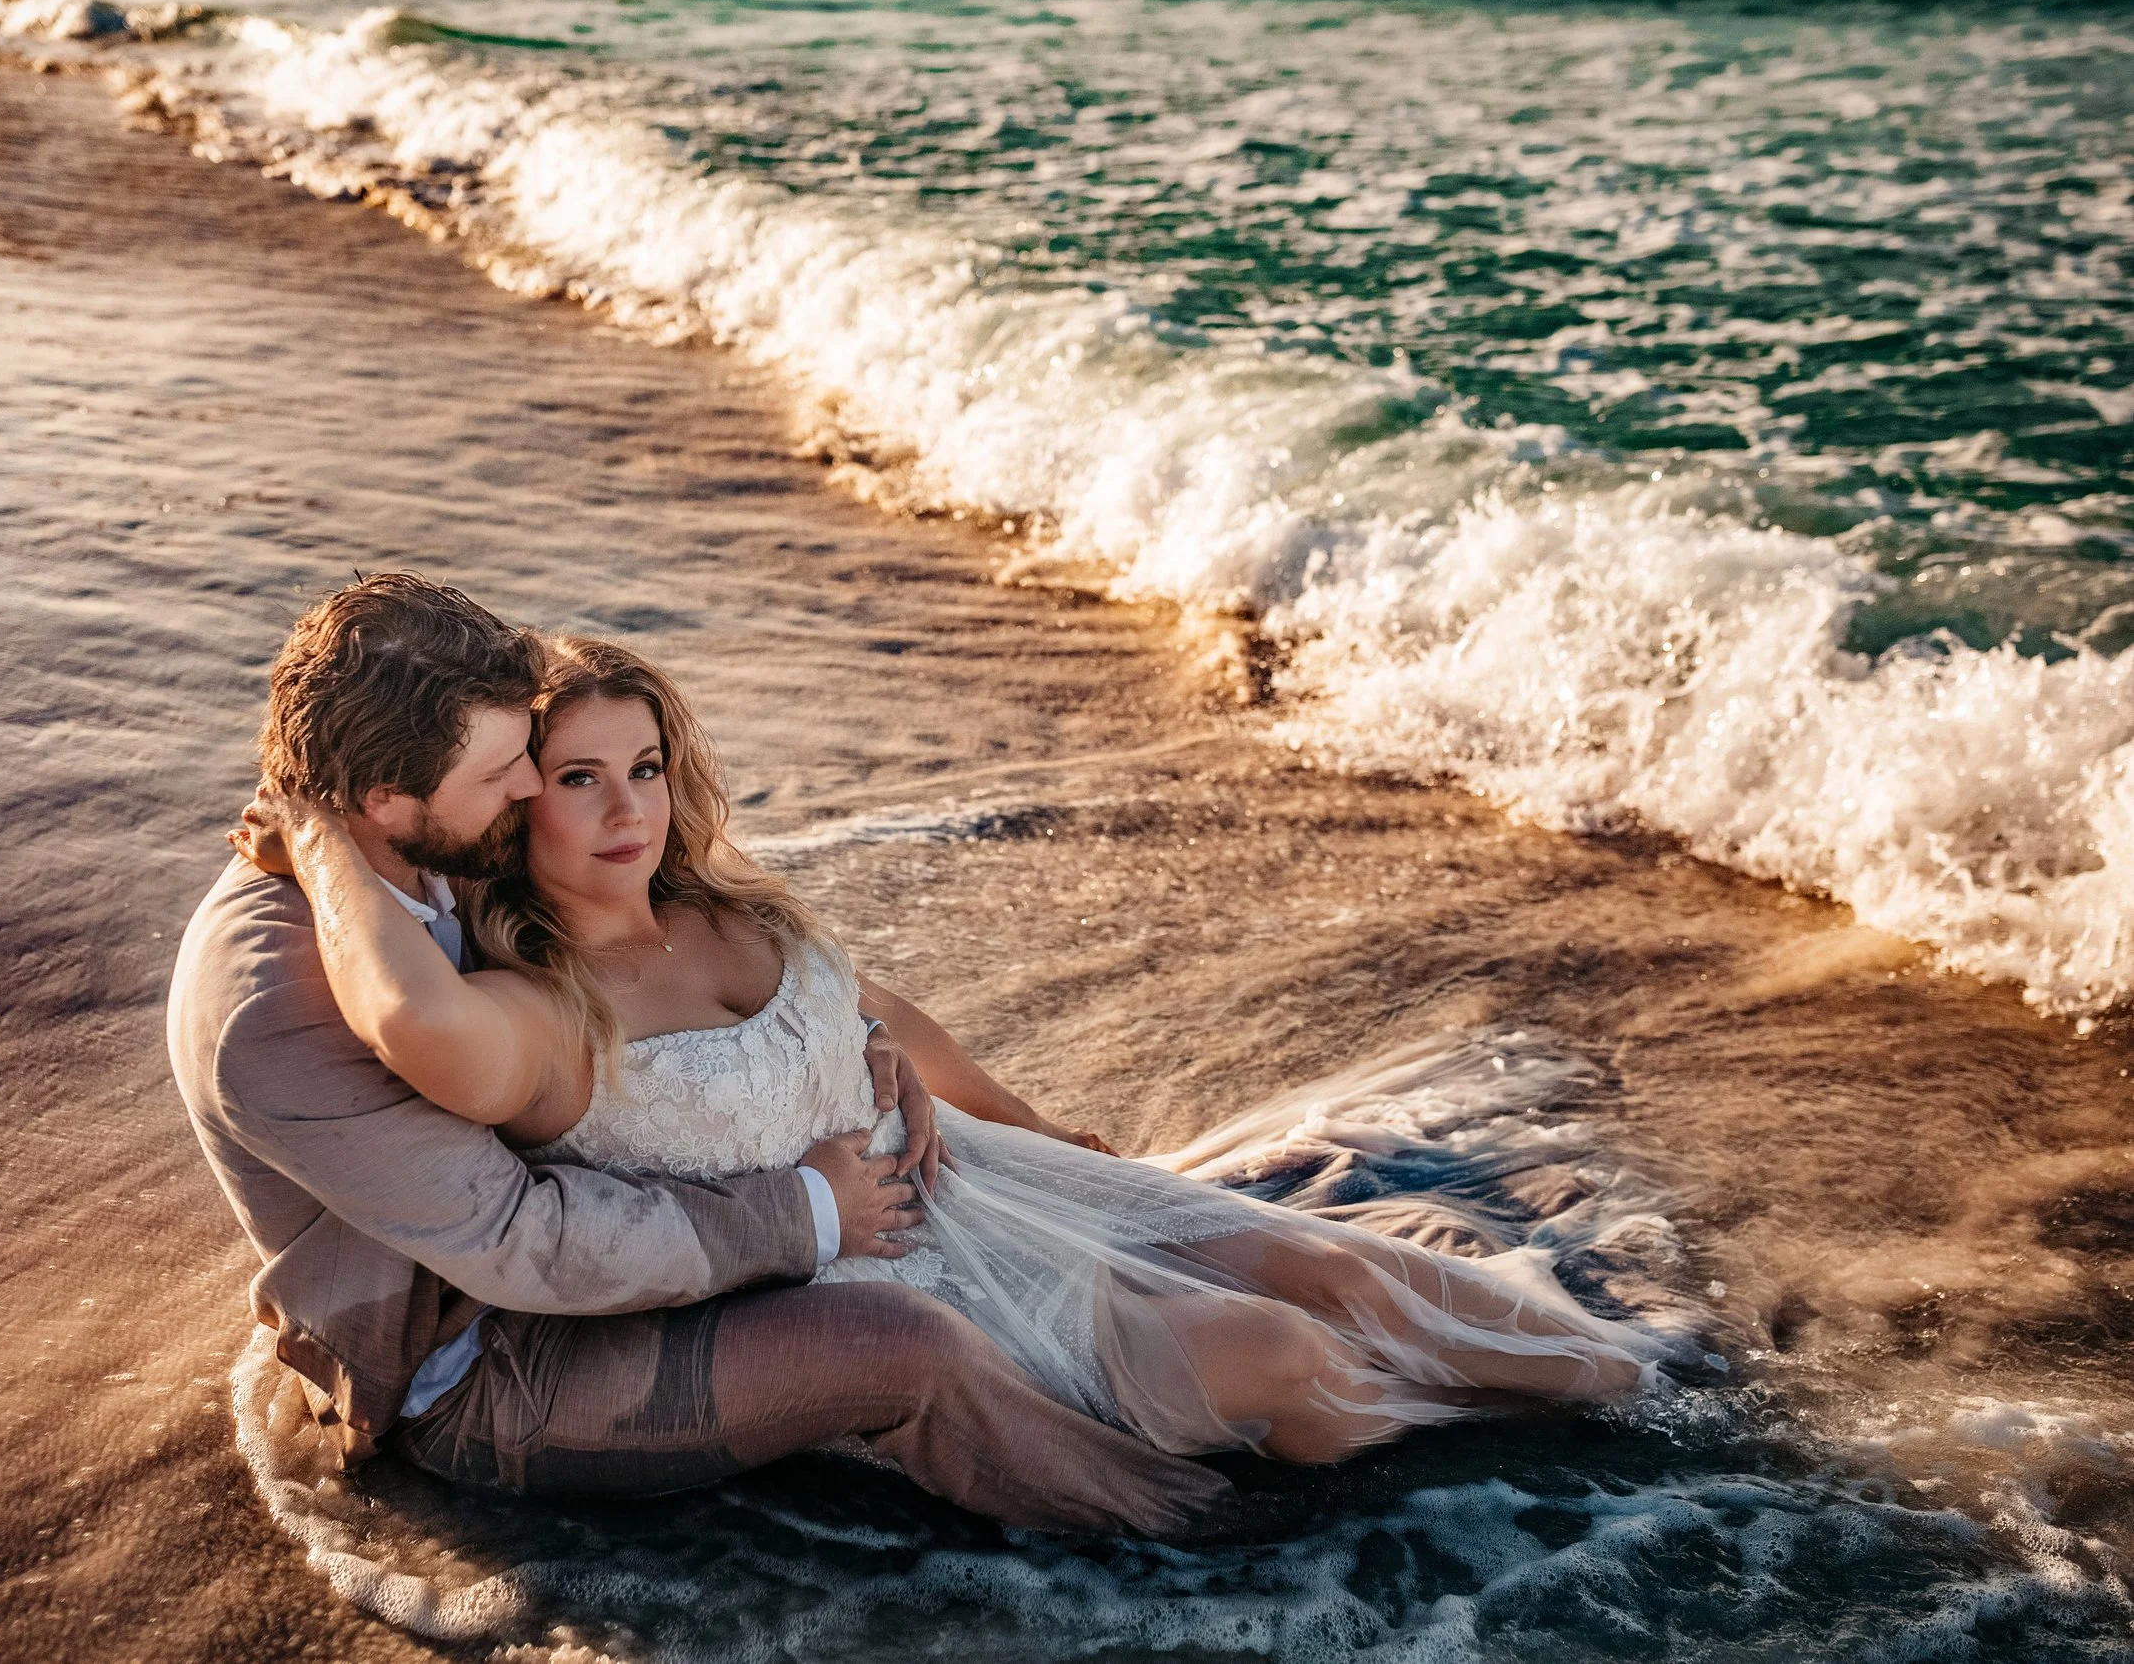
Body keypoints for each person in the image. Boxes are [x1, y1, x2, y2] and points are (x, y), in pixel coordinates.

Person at [233, 630, 1691, 1480]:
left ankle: (1681, 1421)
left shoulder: (725, 907)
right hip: (872, 1271)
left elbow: (880, 1022)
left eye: (647, 766)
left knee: (1352, 1270)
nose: (627, 808)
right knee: (1289, 1352)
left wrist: (1047, 1128)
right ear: (508, 808)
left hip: (986, 1179)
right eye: (572, 778)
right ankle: (1527, 1476)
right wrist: (315, 829)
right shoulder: (536, 1008)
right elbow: (411, 1018)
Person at [168, 573, 1232, 1536]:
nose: (535, 792)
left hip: (616, 1256)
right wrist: (803, 1206)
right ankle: (1226, 1553)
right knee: (902, 1346)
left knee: (1146, 1249)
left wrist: (838, 1045)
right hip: (488, 1364)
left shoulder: (421, 838)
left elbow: (627, 944)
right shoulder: (273, 1007)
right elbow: (523, 1241)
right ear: (380, 800)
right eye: (505, 774)